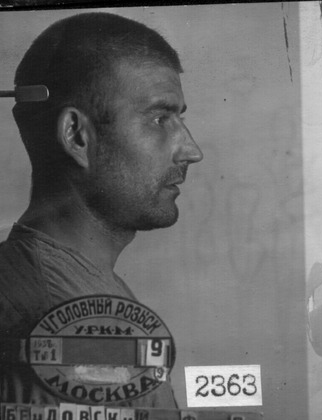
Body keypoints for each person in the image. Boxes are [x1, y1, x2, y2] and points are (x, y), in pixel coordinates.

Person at [0, 13, 203, 407]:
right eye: (160, 119)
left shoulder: (71, 283)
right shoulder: (70, 325)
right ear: (77, 136)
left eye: (179, 119)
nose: (191, 151)